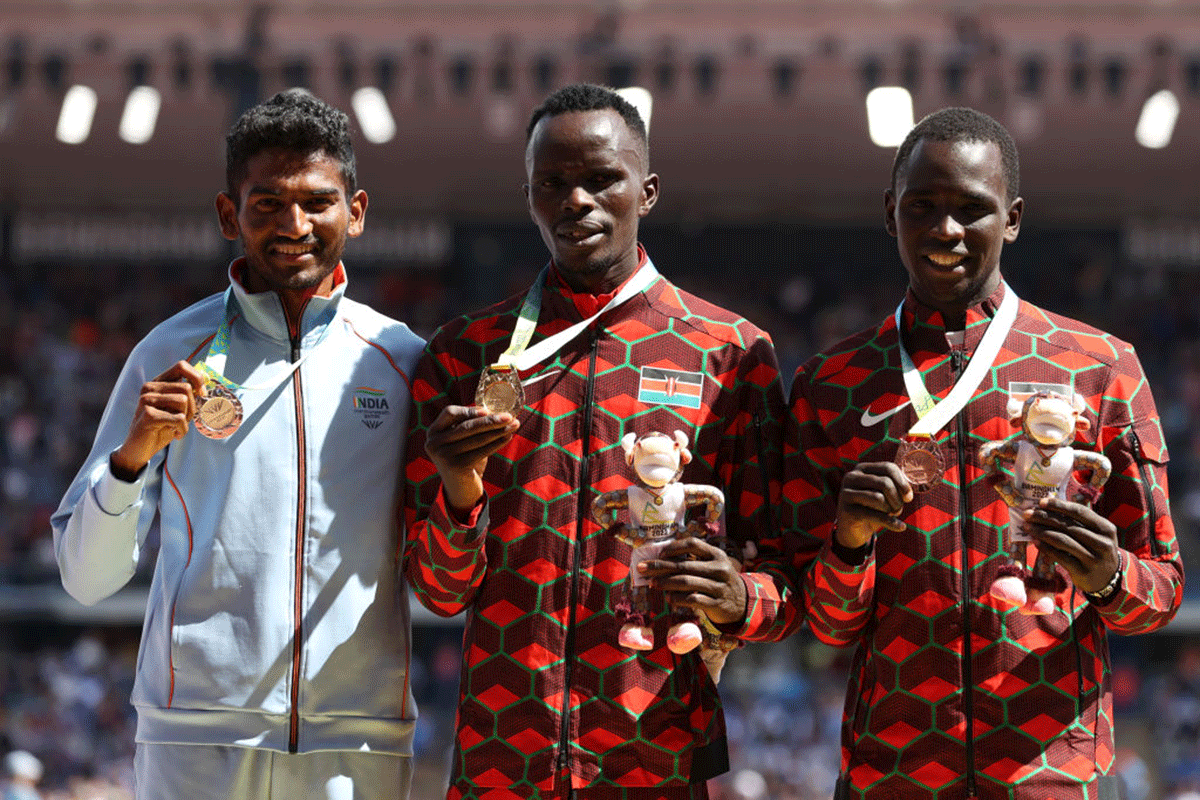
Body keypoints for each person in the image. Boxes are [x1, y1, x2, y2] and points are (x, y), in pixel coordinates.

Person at [773, 107, 1182, 799]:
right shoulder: (831, 384)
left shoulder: (1101, 366)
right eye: (922, 206)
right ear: (889, 211)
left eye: (973, 209)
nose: (945, 230)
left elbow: (1161, 591)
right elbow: (825, 622)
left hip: (1055, 776)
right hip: (893, 774)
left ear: (1014, 217)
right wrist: (848, 545)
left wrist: (1110, 574)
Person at [403, 83, 786, 799]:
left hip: (659, 759)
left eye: (602, 178)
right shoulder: (465, 354)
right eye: (553, 184)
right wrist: (458, 492)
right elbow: (438, 589)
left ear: (647, 190)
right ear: (529, 199)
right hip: (502, 761)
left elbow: (786, 580)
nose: (576, 200)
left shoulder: (731, 354)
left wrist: (740, 598)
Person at [51, 89, 425, 800]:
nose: (294, 224)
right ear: (230, 215)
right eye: (267, 204)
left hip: (359, 740)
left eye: (318, 201)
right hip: (193, 739)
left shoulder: (402, 359)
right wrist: (131, 460)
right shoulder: (169, 353)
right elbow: (85, 578)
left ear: (357, 210)